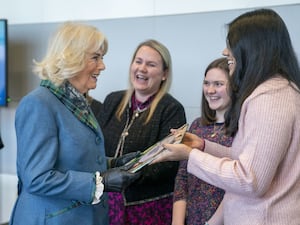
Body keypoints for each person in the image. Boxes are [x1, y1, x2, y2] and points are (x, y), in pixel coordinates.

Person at [154, 8, 300, 225]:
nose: (225, 51)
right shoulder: (275, 92)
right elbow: (251, 161)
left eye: (232, 45)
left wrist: (190, 156)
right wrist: (203, 146)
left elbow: (250, 180)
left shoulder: (270, 99)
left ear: (253, 49)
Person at [9, 22, 141, 225]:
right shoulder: (38, 104)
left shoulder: (77, 102)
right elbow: (37, 179)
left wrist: (114, 164)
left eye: (102, 58)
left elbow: (73, 160)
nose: (102, 66)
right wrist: (100, 182)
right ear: (72, 58)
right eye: (95, 57)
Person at [91, 39, 187, 225]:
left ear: (164, 74)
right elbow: (97, 143)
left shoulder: (171, 109)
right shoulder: (113, 100)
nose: (142, 69)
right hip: (107, 203)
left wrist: (126, 174)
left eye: (151, 65)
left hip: (148, 209)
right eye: (138, 61)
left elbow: (168, 165)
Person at [172, 57, 233, 225]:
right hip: (193, 219)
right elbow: (183, 178)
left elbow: (236, 187)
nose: (210, 90)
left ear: (235, 87)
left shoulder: (243, 128)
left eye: (218, 84)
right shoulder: (197, 125)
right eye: (207, 83)